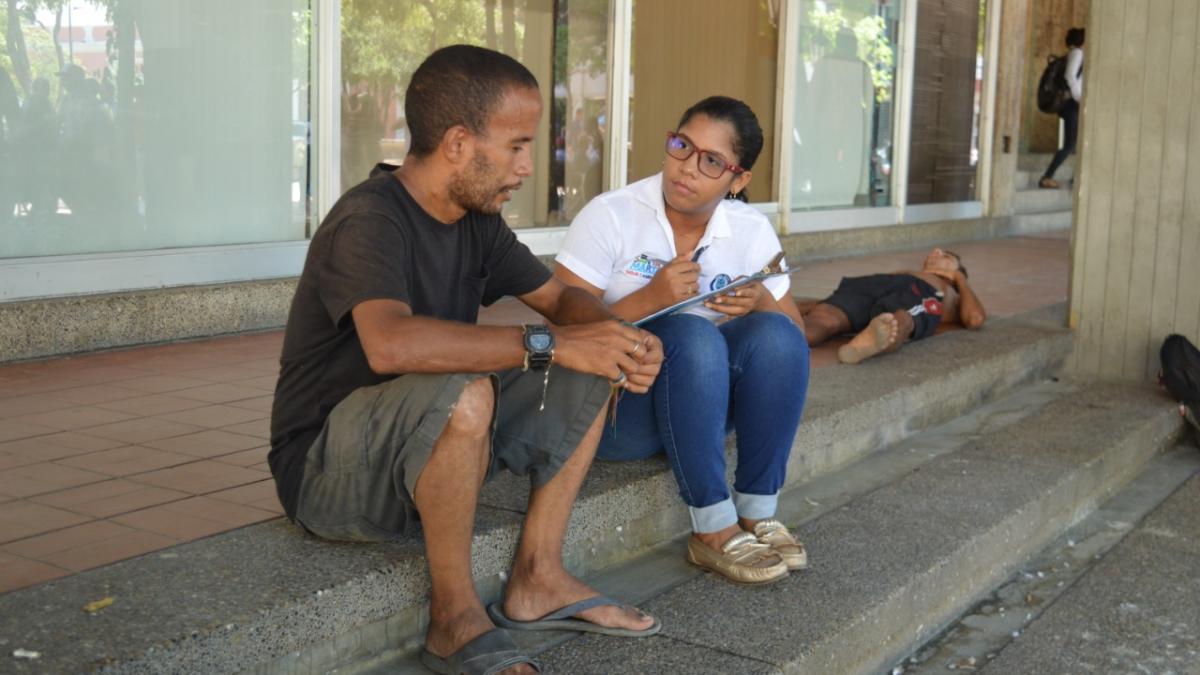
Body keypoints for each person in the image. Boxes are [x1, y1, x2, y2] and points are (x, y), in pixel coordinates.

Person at [269, 45, 663, 675]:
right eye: (515, 145)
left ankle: (537, 576)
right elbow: (390, 342)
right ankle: (453, 619)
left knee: (593, 359)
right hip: (328, 474)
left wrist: (621, 338)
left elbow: (560, 298)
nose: (528, 166)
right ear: (457, 142)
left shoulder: (475, 219)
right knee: (467, 391)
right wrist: (550, 342)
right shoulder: (370, 218)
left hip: (419, 449)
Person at [554, 96, 811, 586]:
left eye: (711, 161)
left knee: (775, 334)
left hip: (704, 409)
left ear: (738, 180)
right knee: (690, 332)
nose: (686, 168)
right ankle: (713, 529)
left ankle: (757, 513)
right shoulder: (611, 215)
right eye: (682, 146)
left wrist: (760, 300)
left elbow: (794, 344)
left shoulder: (750, 231)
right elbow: (563, 335)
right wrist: (650, 298)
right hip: (614, 416)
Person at [802, 248, 987, 364]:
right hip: (874, 284)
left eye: (944, 255)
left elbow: (975, 318)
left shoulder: (950, 290)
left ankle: (870, 342)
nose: (934, 253)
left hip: (918, 291)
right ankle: (795, 338)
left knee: (901, 317)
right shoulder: (912, 272)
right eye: (934, 252)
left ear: (957, 270)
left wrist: (959, 278)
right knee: (824, 318)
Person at [1039, 27, 1084, 189]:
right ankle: (1047, 177)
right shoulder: (1077, 53)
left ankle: (1076, 178)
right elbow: (1070, 76)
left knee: (1077, 142)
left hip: (1070, 104)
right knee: (1070, 144)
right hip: (1071, 104)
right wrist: (1080, 98)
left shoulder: (1072, 54)